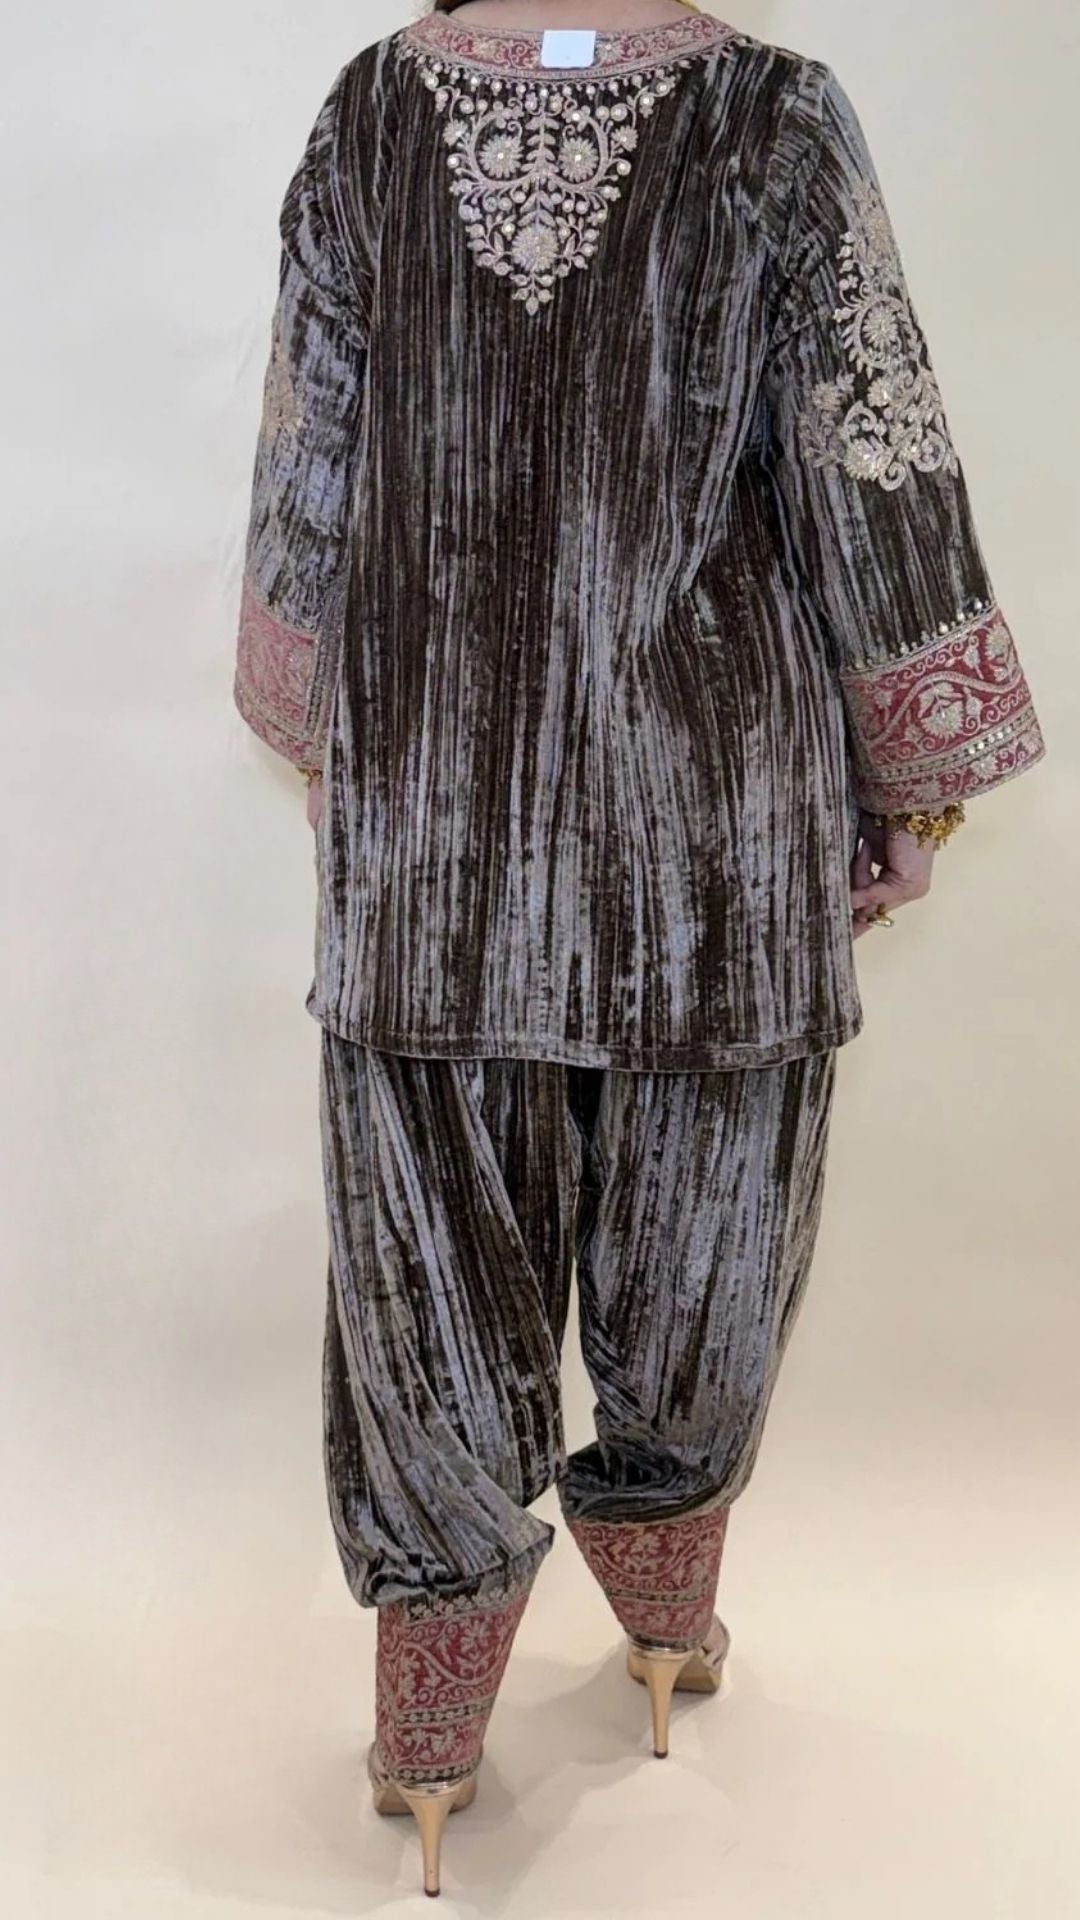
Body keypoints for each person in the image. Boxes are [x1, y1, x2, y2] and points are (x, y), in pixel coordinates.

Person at [232, 0, 1045, 1894]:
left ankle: (429, 1737)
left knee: (428, 1284)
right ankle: (668, 1629)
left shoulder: (368, 112)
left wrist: (328, 737)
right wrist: (914, 780)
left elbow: (307, 472)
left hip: (434, 839)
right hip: (715, 838)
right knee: (712, 1256)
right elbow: (871, 457)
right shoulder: (777, 116)